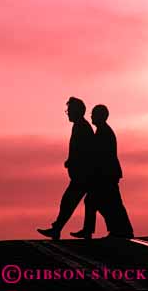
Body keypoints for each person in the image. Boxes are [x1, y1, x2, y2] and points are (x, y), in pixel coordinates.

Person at [70, 104, 134, 239]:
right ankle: (118, 230)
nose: (91, 116)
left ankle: (120, 230)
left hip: (106, 175)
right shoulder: (103, 131)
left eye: (94, 114)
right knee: (105, 202)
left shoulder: (104, 132)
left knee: (106, 202)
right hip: (106, 174)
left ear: (100, 116)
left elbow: (100, 155)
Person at [37, 97, 94, 240]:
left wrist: (73, 162)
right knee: (75, 202)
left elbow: (84, 152)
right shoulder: (80, 126)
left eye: (69, 111)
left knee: (70, 202)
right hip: (81, 174)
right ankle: (62, 229)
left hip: (83, 175)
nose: (68, 113)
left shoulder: (82, 127)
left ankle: (58, 229)